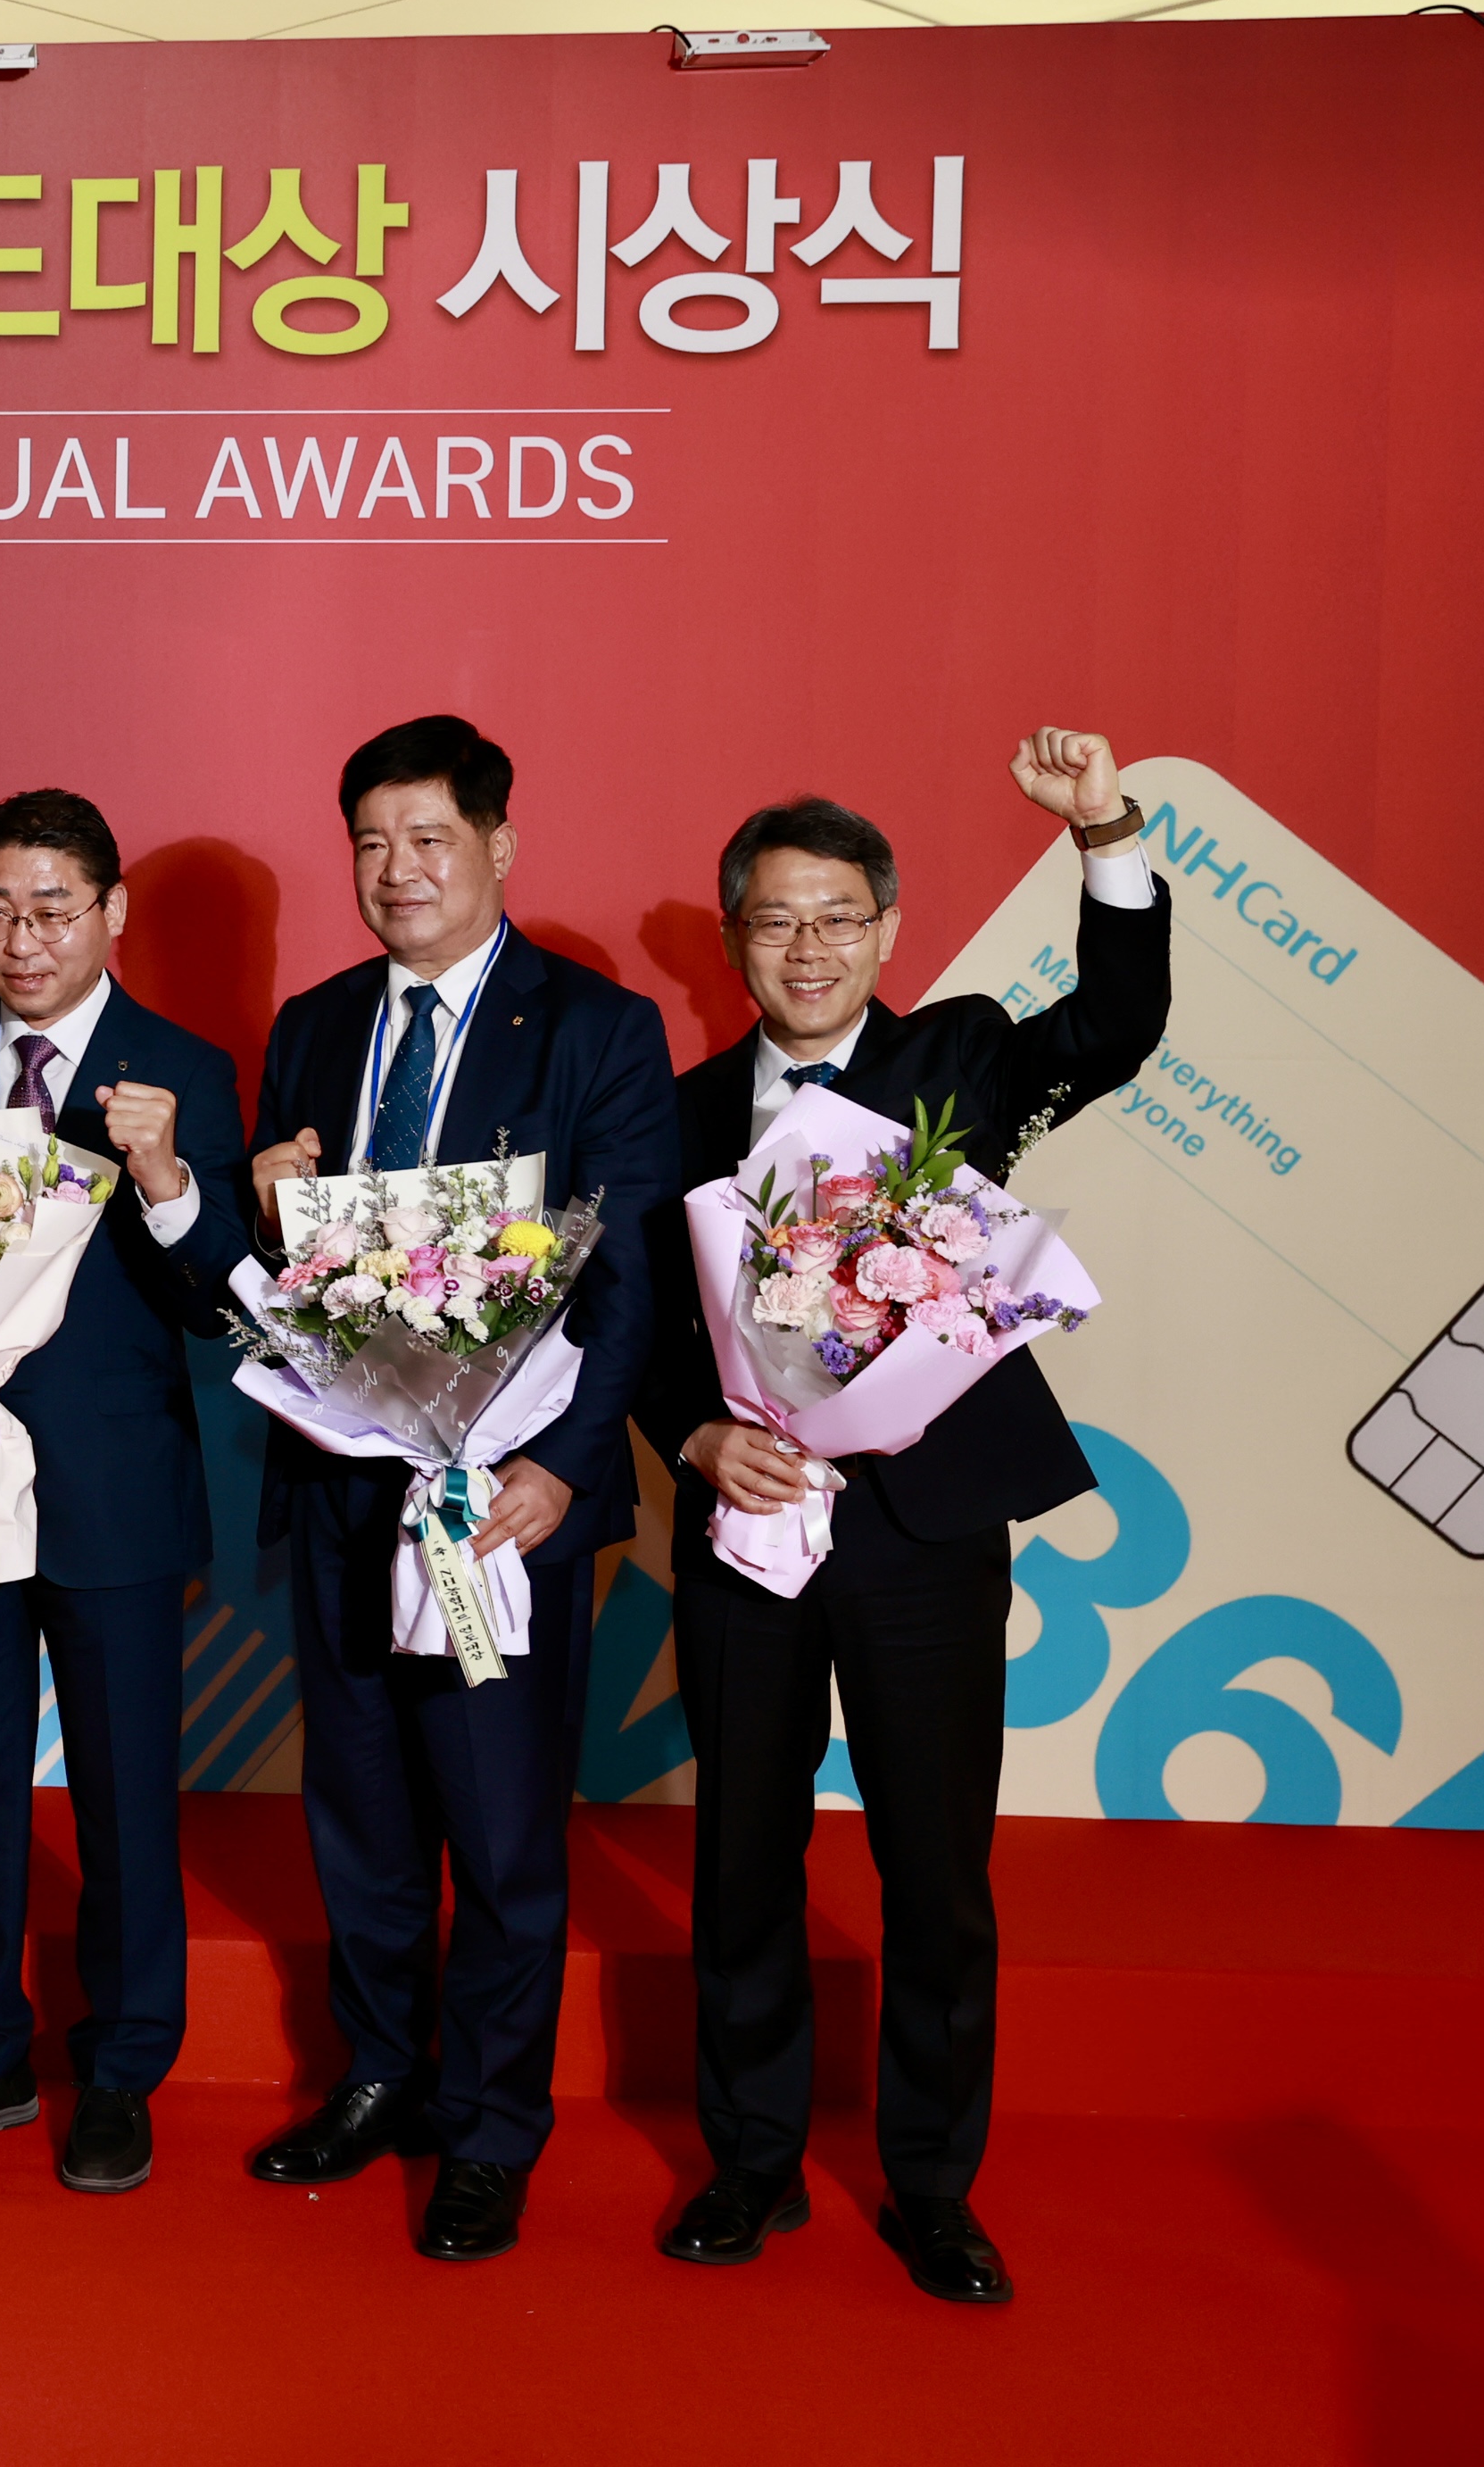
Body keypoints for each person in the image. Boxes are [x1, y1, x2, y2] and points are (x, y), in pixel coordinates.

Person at [634, 730, 1165, 2305]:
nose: (808, 949)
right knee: (743, 1855)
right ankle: (752, 2161)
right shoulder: (670, 1115)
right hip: (747, 1530)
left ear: (888, 932)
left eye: (838, 919)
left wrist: (1106, 835)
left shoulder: (964, 1058)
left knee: (935, 1868)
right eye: (776, 921)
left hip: (923, 1534)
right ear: (732, 939)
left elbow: (1119, 1025)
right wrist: (699, 1437)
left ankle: (933, 2184)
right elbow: (637, 1330)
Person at [245, 715, 676, 2260]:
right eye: (370, 842)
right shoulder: (313, 1024)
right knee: (360, 1812)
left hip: (501, 1505)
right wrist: (265, 1204)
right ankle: (381, 2076)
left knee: (498, 1828)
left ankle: (492, 2126)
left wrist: (565, 1467)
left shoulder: (596, 1029)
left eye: (429, 838)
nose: (398, 870)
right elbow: (292, 1276)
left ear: (499, 846)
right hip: (344, 1489)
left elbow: (629, 1282)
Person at [0, 791, 248, 2194]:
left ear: (111, 911)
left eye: (51, 910)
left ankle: (124, 2068)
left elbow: (222, 1302)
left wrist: (166, 1174)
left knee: (126, 1795)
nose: (21, 941)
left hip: (115, 1485)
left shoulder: (183, 1068)